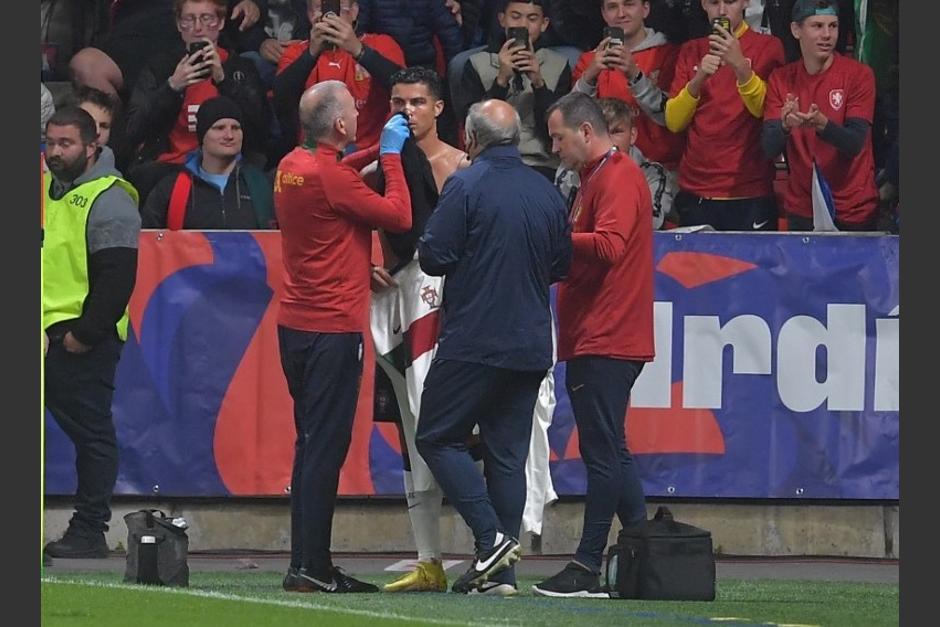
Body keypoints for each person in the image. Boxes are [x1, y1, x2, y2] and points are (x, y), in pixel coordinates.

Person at [415, 99, 572, 594]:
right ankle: (500, 574)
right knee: (507, 456)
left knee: (437, 437)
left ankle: (491, 541)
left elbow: (434, 256)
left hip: (474, 338)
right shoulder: (544, 189)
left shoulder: (465, 183)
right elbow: (562, 265)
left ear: (470, 138)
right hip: (530, 340)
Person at [274, 80, 412, 593]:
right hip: (331, 331)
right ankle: (313, 567)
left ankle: (305, 563)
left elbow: (338, 176)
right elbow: (399, 214)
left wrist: (376, 148)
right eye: (354, 110)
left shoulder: (293, 165)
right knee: (324, 451)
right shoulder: (329, 178)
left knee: (309, 446)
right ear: (338, 125)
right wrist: (393, 158)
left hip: (295, 326)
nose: (360, 113)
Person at [535, 92, 653, 597]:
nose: (554, 148)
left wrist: (553, 240)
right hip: (599, 332)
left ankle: (585, 566)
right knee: (613, 450)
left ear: (586, 132)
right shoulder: (594, 178)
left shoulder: (618, 175)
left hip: (608, 334)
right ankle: (646, 554)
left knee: (603, 451)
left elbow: (609, 246)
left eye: (559, 138)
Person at [362, 67, 468, 593]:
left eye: (418, 102)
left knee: (461, 432)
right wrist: (363, 262)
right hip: (399, 311)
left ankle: (487, 548)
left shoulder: (465, 169)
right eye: (399, 101)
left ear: (439, 108)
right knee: (412, 436)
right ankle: (427, 556)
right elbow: (338, 218)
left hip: (456, 317)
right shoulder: (378, 167)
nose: (407, 111)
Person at [42, 107, 141, 559]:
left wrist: (83, 335)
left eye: (66, 144)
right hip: (46, 330)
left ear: (91, 147)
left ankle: (89, 529)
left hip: (78, 337)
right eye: (51, 143)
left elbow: (118, 279)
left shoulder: (109, 197)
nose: (55, 152)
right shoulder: (50, 188)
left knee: (91, 434)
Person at [123, 0, 268, 202]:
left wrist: (223, 80)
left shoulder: (240, 68)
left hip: (230, 168)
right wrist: (172, 86)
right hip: (170, 169)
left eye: (207, 18)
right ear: (178, 25)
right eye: (189, 19)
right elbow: (134, 129)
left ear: (221, 23)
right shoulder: (160, 68)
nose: (198, 27)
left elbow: (258, 132)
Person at [665, 0, 785, 231]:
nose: (721, 11)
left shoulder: (768, 47)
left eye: (729, 2)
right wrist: (698, 79)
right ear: (703, 5)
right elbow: (674, 121)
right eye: (713, 3)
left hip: (750, 190)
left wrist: (740, 66)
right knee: (698, 268)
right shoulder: (691, 50)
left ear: (745, 2)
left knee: (754, 268)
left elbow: (765, 111)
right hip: (697, 190)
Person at [761, 0, 879, 230]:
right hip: (803, 210)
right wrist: (784, 126)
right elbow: (768, 147)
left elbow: (855, 143)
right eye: (817, 26)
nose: (827, 35)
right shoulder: (781, 78)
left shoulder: (859, 75)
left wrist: (823, 125)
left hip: (853, 209)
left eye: (833, 26)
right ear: (796, 30)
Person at [273, 0, 405, 153]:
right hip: (315, 155)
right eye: (320, 8)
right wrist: (311, 54)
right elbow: (281, 99)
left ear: (354, 11)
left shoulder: (382, 44)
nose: (330, 16)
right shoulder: (296, 52)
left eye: (338, 8)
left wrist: (359, 50)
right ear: (309, 14)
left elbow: (404, 88)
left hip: (372, 153)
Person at [458, 0, 571, 180]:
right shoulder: (476, 64)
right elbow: (473, 128)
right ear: (502, 19)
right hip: (490, 163)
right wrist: (501, 81)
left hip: (542, 165)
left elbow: (561, 130)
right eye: (515, 17)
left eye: (532, 19)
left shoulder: (559, 64)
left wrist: (538, 83)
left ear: (544, 24)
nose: (523, 25)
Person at [571, 0, 685, 171]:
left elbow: (670, 118)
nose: (621, 13)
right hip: (603, 167)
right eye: (612, 7)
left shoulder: (670, 54)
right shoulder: (589, 61)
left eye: (629, 4)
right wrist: (590, 76)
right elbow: (572, 121)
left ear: (645, 9)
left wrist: (634, 75)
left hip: (661, 168)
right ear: (603, 14)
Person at [142, 97, 276, 230]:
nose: (229, 135)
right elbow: (148, 243)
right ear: (202, 136)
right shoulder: (170, 189)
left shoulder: (261, 186)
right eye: (219, 128)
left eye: (235, 128)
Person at [556, 97, 674, 229]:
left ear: (632, 135)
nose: (609, 140)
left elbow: (652, 223)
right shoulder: (569, 171)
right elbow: (558, 223)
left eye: (617, 132)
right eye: (603, 132)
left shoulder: (652, 174)